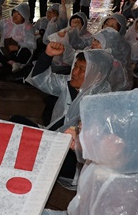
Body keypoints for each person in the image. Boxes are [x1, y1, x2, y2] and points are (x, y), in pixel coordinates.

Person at [22, 46, 113, 184]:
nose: (75, 72)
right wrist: (47, 55)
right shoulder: (69, 84)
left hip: (74, 158)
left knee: (29, 154)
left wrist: (77, 133)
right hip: (53, 137)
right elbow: (40, 79)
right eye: (75, 66)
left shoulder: (103, 100)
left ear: (97, 75)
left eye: (82, 70)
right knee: (16, 123)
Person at [0, 2, 36, 73]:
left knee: (26, 51)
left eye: (19, 14)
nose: (15, 16)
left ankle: (6, 62)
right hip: (5, 52)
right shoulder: (7, 23)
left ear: (24, 16)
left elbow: (33, 45)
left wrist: (18, 47)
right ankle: (11, 63)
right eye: (15, 13)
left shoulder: (27, 28)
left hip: (18, 53)